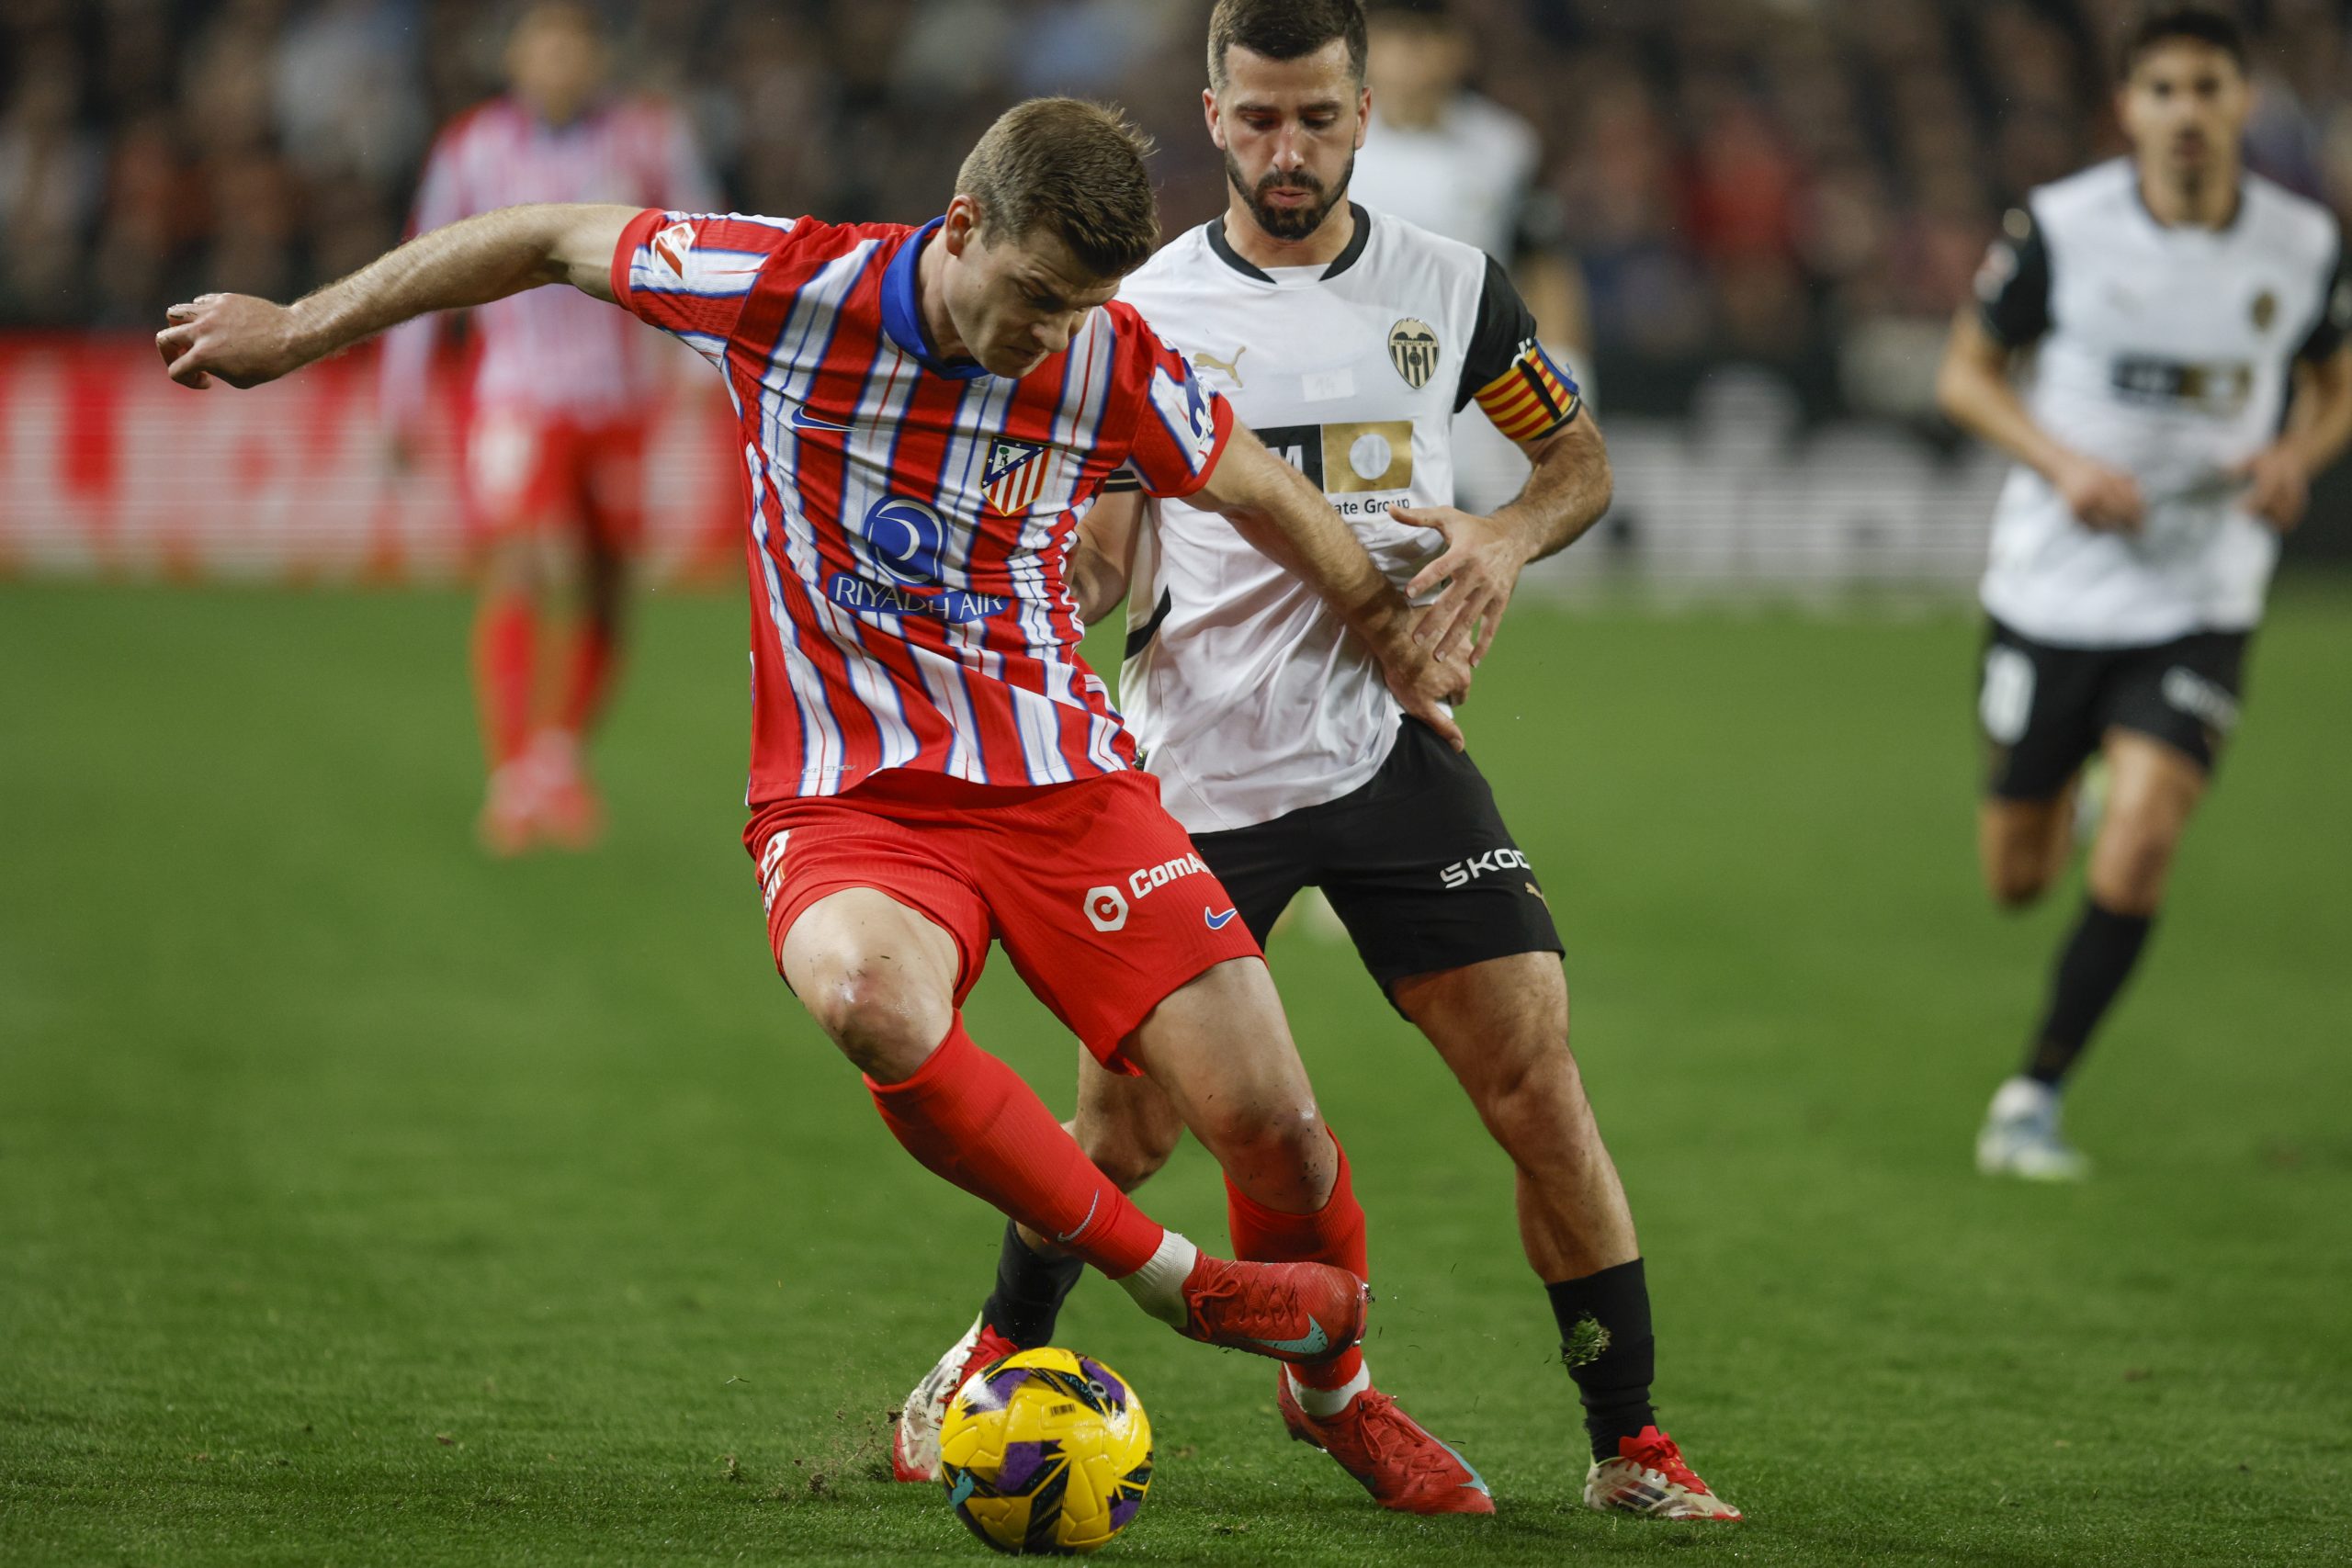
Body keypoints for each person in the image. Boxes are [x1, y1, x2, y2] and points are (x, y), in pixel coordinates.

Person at [157, 98, 1488, 1411]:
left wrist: (1390, 638)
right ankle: (1170, 1280)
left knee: (1276, 1124)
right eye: (1033, 295)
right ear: (962, 225)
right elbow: (547, 235)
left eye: (1078, 307)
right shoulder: (792, 287)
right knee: (868, 994)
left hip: (1067, 785)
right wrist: (299, 328)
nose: (1047, 336)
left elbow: (1258, 486)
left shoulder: (1107, 356)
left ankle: (1342, 1401)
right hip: (850, 800)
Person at [892, 0, 1739, 1522]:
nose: (1291, 151)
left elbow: (1579, 461)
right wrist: (1076, 561)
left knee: (1538, 1080)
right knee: (1126, 1128)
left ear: (1368, 117)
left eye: (1321, 120)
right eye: (1262, 120)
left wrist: (1500, 532)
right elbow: (1075, 524)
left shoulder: (1449, 287)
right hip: (1190, 773)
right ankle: (994, 1351)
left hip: (1387, 749)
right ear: (1213, 117)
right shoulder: (1129, 303)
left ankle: (1630, 1445)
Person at [1936, 1, 2352, 1180]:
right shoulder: (2062, 228)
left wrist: (2294, 458)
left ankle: (2033, 1095)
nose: (2185, 113)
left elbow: (2335, 383)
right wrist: (2063, 463)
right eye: (2161, 90)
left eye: (2207, 89)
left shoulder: (2301, 241)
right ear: (2128, 108)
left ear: (2241, 103)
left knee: (2142, 846)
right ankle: (2072, 793)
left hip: (2201, 591)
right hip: (2056, 589)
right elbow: (1964, 376)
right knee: (2016, 879)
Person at [379, 2, 718, 854]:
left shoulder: (646, 138)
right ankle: (511, 774)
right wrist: (401, 392)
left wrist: (698, 366)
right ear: (518, 58)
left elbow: (711, 244)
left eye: (574, 46)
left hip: (615, 402)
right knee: (521, 561)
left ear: (596, 58)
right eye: (545, 46)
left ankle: (557, 757)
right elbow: (417, 269)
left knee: (608, 579)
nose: (559, 61)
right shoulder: (472, 147)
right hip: (515, 396)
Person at [1348, 0, 1589, 517]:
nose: (1413, 58)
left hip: (1478, 367)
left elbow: (1541, 260)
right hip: (1362, 369)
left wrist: (1570, 361)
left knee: (1480, 517)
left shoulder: (1505, 146)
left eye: (1428, 38)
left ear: (1458, 49)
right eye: (1397, 38)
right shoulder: (1336, 144)